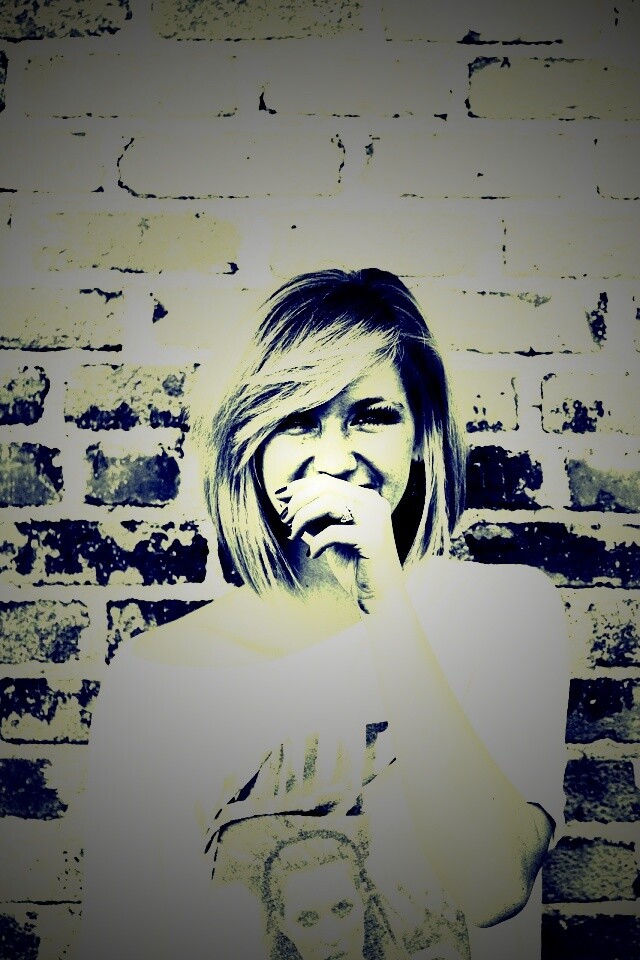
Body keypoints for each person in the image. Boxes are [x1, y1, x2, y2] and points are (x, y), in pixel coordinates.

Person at [76, 268, 568, 960]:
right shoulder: (153, 682)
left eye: (373, 415)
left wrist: (386, 605)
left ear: (421, 433)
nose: (335, 459)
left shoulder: (504, 618)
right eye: (297, 420)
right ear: (250, 443)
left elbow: (492, 883)